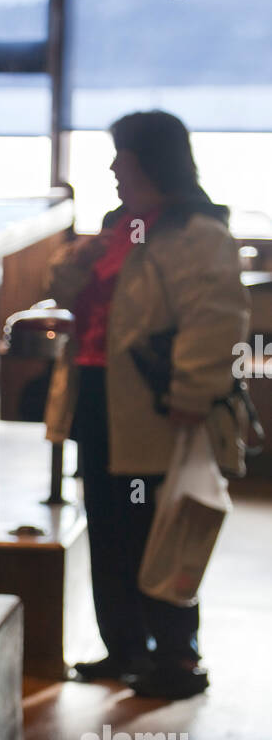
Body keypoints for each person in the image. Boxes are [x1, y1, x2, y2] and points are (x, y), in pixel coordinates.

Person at [44, 110, 249, 700]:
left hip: (158, 409)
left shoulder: (197, 233)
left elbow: (216, 322)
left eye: (121, 155)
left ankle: (178, 657)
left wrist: (190, 394)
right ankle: (125, 648)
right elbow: (70, 292)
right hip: (100, 401)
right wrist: (75, 262)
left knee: (162, 526)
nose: (112, 167)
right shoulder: (122, 226)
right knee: (109, 524)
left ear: (149, 160)